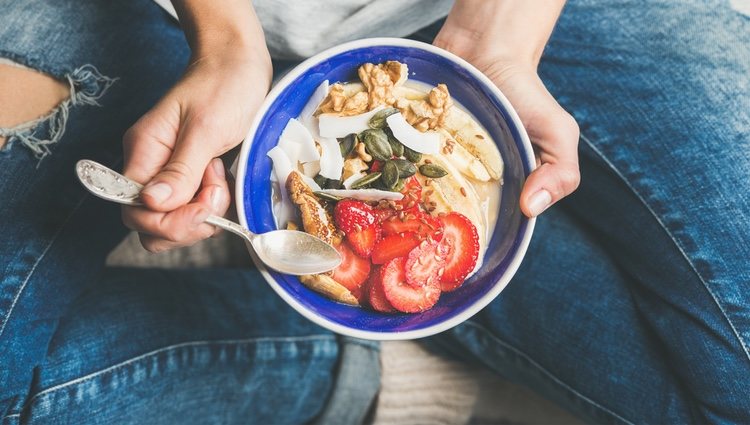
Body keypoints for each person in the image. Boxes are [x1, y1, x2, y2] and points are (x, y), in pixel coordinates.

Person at [1, 0, 748, 423]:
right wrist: (225, 38)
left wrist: (505, 31)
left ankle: (466, 303)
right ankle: (342, 354)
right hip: (172, 21)